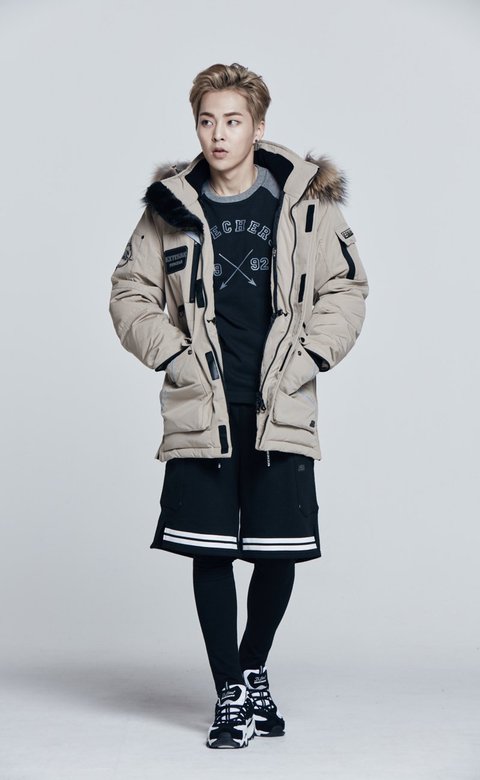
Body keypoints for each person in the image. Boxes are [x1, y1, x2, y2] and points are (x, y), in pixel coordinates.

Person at [109, 62, 369, 749]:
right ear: (195, 125)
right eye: (207, 121)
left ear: (258, 126)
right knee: (211, 550)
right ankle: (230, 690)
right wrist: (173, 354)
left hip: (280, 404)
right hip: (205, 407)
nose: (218, 134)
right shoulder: (169, 208)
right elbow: (129, 292)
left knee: (279, 552)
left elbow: (346, 289)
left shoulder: (305, 203)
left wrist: (310, 358)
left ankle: (252, 668)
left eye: (232, 120)